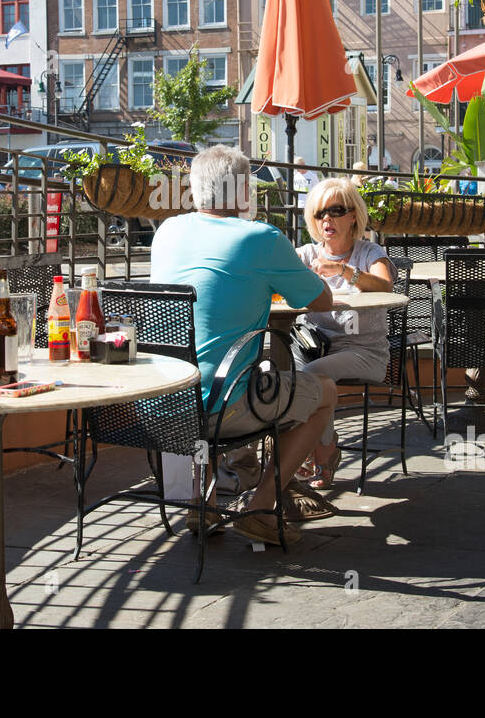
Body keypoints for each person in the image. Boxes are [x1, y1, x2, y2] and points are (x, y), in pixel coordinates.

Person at [151, 145, 339, 544]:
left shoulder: (167, 231)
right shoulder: (261, 238)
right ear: (242, 192)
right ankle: (260, 508)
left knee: (213, 360)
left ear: (195, 190)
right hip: (226, 408)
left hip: (162, 401)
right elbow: (321, 301)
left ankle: (201, 504)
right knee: (324, 392)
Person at [293, 177, 398, 488]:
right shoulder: (306, 255)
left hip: (365, 352)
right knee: (284, 371)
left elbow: (384, 285)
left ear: (353, 215)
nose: (327, 219)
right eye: (319, 213)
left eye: (336, 210)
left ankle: (320, 451)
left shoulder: (368, 252)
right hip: (316, 346)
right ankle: (310, 448)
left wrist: (342, 270)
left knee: (310, 375)